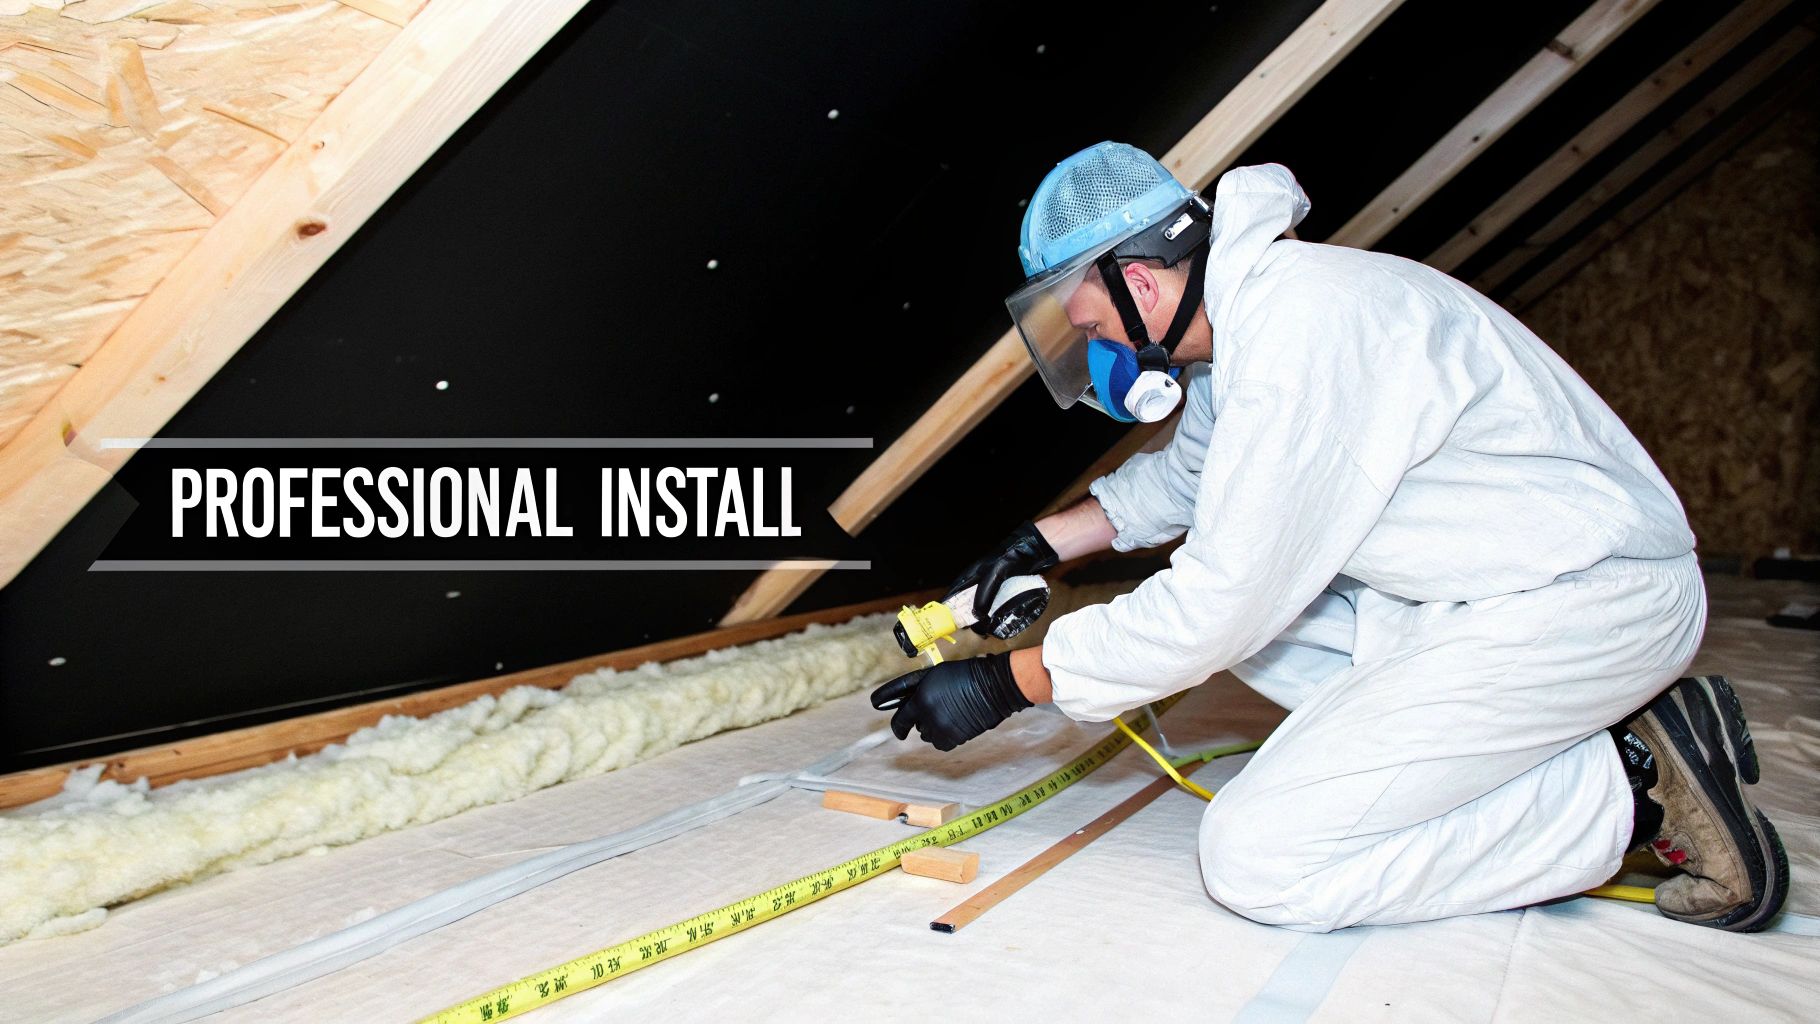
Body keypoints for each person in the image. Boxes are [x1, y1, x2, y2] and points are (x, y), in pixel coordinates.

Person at [869, 142, 1787, 933]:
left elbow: (1217, 603)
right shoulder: (1256, 322)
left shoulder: (1300, 339)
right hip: (1497, 586)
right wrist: (1038, 542)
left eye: (1094, 329)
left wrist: (1007, 682)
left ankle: (1622, 781)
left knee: (1259, 858)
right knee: (1267, 628)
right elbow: (1184, 479)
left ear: (1141, 283)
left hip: (1589, 603)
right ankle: (1568, 743)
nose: (1096, 357)